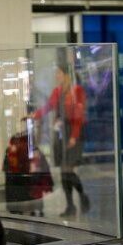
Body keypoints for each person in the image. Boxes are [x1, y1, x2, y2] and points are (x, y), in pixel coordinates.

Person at [32, 61, 89, 218]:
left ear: (66, 75)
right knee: (64, 172)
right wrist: (34, 115)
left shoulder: (77, 91)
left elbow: (79, 116)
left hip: (74, 133)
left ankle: (81, 197)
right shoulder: (57, 91)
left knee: (68, 169)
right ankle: (71, 204)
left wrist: (73, 137)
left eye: (59, 73)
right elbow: (48, 107)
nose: (56, 76)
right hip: (61, 133)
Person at [3, 116, 53, 217]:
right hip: (21, 168)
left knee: (27, 187)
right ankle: (30, 208)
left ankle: (30, 208)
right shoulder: (18, 141)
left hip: (24, 168)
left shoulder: (25, 141)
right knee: (25, 187)